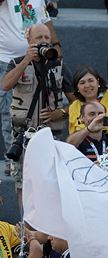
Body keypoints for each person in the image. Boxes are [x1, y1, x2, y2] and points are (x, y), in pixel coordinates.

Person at [0, 0, 59, 151]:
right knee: (10, 113)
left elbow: (46, 21)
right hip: (7, 60)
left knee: (41, 108)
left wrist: (57, 46)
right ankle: (12, 157)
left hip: (39, 60)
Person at [67, 66, 108, 136]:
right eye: (82, 83)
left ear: (98, 82)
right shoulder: (74, 106)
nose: (87, 85)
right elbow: (73, 137)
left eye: (91, 80)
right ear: (77, 87)